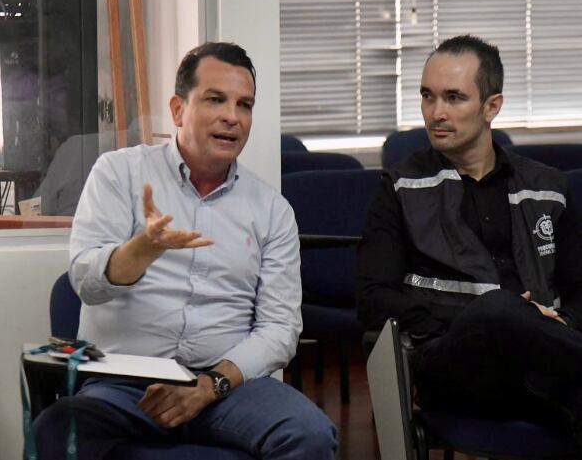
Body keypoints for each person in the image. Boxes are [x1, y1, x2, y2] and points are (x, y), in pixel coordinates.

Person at [33, 42, 337, 459]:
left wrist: (211, 385)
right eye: (215, 99)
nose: (232, 116)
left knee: (309, 434)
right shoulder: (119, 173)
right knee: (57, 429)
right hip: (124, 386)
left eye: (244, 105)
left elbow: (280, 329)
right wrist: (141, 250)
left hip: (225, 387)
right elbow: (85, 282)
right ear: (178, 110)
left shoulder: (272, 210)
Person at [357, 34, 582, 445]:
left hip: (543, 368)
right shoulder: (399, 186)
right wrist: (486, 317)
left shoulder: (548, 186)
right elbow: (374, 297)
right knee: (499, 308)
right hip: (454, 365)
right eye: (427, 96)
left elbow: (579, 288)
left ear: (491, 106)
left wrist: (558, 324)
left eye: (454, 98)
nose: (436, 113)